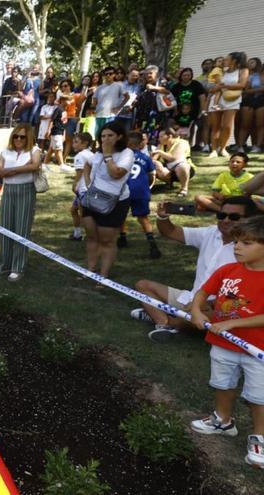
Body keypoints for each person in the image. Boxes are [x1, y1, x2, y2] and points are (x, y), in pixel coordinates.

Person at [189, 215, 264, 469]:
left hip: (257, 349)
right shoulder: (228, 271)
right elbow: (203, 292)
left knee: (258, 396)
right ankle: (223, 420)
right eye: (237, 242)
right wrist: (197, 311)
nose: (237, 247)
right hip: (223, 345)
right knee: (222, 383)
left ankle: (259, 438)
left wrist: (233, 324)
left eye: (247, 243)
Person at [132, 196, 259, 341]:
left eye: (234, 217)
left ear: (250, 219)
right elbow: (171, 232)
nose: (225, 220)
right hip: (192, 298)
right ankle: (166, 323)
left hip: (220, 307)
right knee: (143, 286)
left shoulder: (253, 251)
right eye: (221, 215)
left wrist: (202, 305)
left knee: (199, 315)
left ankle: (162, 318)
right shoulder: (210, 233)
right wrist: (162, 217)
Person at [81, 121, 134, 279]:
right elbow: (87, 165)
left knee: (107, 240)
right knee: (91, 236)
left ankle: (103, 276)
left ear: (119, 136)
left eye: (110, 135)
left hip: (115, 202)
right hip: (93, 198)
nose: (106, 139)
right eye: (103, 136)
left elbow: (116, 173)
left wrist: (108, 155)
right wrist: (87, 184)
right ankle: (90, 270)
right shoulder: (97, 153)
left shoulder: (127, 154)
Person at [0, 124, 41, 281]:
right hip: (9, 190)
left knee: (21, 228)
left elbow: (35, 165)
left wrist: (12, 171)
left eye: (22, 137)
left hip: (26, 190)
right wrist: (22, 168)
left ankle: (18, 267)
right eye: (16, 136)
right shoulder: (6, 152)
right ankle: (4, 263)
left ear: (29, 138)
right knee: (6, 226)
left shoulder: (34, 150)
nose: (19, 139)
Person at [118, 132, 161, 259]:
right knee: (143, 218)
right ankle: (152, 243)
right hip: (141, 191)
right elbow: (152, 174)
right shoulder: (146, 157)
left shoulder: (121, 156)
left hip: (124, 190)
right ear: (139, 143)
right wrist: (149, 187)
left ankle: (122, 238)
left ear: (128, 143)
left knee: (121, 215)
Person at [207, 52, 250, 158]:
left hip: (232, 100)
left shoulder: (243, 70)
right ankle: (213, 150)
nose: (224, 61)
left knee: (226, 126)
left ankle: (222, 148)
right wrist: (216, 88)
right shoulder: (221, 71)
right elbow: (212, 86)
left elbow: (242, 85)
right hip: (217, 99)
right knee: (215, 126)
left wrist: (224, 86)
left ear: (234, 61)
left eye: (226, 59)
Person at [151, 126, 195, 197]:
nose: (159, 139)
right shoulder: (161, 145)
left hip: (185, 169)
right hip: (169, 170)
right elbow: (153, 159)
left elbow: (174, 158)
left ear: (169, 136)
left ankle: (184, 188)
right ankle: (168, 183)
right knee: (154, 164)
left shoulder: (182, 143)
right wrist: (155, 160)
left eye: (161, 136)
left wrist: (159, 152)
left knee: (182, 166)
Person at [68, 132, 95, 241]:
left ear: (84, 143)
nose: (73, 144)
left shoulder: (80, 156)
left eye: (76, 142)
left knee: (84, 214)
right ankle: (77, 234)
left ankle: (92, 237)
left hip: (83, 189)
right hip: (89, 187)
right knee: (73, 210)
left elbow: (80, 172)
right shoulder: (91, 154)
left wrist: (75, 185)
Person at [92, 66, 129, 132]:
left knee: (110, 134)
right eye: (106, 74)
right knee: (98, 135)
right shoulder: (100, 87)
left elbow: (127, 97)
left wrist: (119, 107)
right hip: (99, 115)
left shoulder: (119, 85)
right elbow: (94, 100)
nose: (108, 75)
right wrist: (93, 109)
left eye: (110, 74)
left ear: (114, 74)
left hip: (111, 115)